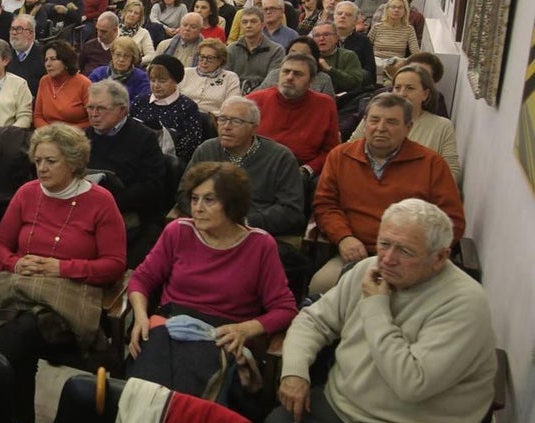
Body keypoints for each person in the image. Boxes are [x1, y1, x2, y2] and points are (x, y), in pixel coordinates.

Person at [265, 200, 495, 423]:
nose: (386, 259)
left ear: (440, 257)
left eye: (404, 251)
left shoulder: (465, 304)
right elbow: (313, 321)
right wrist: (295, 372)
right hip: (350, 406)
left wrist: (377, 306)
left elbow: (412, 384)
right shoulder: (367, 268)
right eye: (384, 243)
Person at [0, 122, 126, 423]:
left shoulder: (100, 202)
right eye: (37, 160)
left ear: (74, 162)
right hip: (19, 285)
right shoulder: (27, 193)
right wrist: (14, 263)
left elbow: (114, 264)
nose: (42, 168)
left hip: (67, 296)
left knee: (18, 333)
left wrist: (61, 268)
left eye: (51, 161)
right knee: (17, 340)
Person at [127, 162, 297, 384]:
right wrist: (141, 317)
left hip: (223, 335)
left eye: (209, 200)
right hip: (171, 326)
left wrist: (246, 329)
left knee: (187, 389)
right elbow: (141, 279)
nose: (197, 208)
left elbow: (284, 309)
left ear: (232, 205)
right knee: (144, 387)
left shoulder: (260, 245)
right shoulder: (178, 231)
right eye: (194, 199)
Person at [311, 94, 464, 294]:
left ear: (409, 127)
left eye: (391, 122)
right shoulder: (340, 156)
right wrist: (343, 237)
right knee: (319, 286)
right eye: (374, 120)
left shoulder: (431, 164)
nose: (381, 128)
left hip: (411, 261)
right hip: (355, 253)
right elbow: (325, 204)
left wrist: (413, 256)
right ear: (365, 123)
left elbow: (452, 222)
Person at [186, 96, 305, 237]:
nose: (226, 127)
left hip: (260, 233)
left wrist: (243, 222)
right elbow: (184, 192)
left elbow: (290, 209)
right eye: (222, 119)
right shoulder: (206, 150)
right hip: (208, 228)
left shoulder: (280, 157)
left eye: (236, 121)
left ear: (254, 128)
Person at [86, 80, 169, 232]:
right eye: (90, 107)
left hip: (130, 213)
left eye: (101, 108)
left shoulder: (144, 138)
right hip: (88, 210)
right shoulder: (84, 137)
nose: (94, 114)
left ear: (122, 110)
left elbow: (151, 186)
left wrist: (106, 203)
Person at [249, 54, 339, 178]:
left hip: (301, 172)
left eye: (298, 74)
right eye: (286, 72)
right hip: (256, 166)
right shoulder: (254, 100)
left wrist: (307, 170)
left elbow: (331, 150)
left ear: (311, 80)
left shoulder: (325, 105)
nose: (290, 77)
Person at [131, 55, 206, 164]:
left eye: (162, 81)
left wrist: (165, 136)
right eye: (152, 80)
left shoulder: (187, 107)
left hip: (168, 163)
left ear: (175, 81)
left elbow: (192, 144)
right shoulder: (140, 100)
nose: (156, 85)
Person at [226, 6, 285, 94]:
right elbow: (225, 78)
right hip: (233, 96)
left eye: (253, 21)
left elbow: (272, 82)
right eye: (244, 22)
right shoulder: (230, 49)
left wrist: (251, 96)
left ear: (263, 24)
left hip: (263, 97)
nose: (248, 25)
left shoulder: (276, 50)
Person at [33, 40, 90, 129]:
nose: (48, 64)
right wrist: (49, 132)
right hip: (47, 135)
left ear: (66, 61)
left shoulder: (84, 83)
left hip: (76, 136)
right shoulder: (44, 81)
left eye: (53, 59)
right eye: (46, 60)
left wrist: (66, 132)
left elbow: (92, 119)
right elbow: (38, 116)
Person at [179, 38, 241, 114]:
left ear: (220, 60)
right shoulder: (186, 72)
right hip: (183, 115)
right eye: (202, 57)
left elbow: (232, 106)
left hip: (213, 119)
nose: (204, 62)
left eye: (210, 58)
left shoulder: (230, 77)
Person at [257, 37, 336, 95]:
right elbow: (255, 99)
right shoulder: (274, 75)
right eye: (293, 53)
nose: (296, 57)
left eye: (303, 55)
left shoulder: (324, 79)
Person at [367, 0, 419, 81]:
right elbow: (366, 47)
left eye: (400, 8)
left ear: (405, 11)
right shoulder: (377, 27)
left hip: (395, 63)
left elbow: (415, 53)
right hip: (376, 61)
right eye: (393, 7)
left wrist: (404, 62)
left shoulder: (409, 29)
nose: (396, 10)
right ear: (387, 9)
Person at [311, 22, 366, 93]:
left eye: (326, 35)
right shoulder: (308, 56)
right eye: (317, 35)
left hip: (343, 99)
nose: (321, 39)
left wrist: (330, 70)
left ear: (336, 38)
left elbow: (355, 83)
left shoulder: (348, 55)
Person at [117, 0, 157, 65]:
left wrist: (135, 62)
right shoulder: (114, 29)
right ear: (125, 12)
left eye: (136, 13)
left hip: (135, 67)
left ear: (139, 18)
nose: (132, 15)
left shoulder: (144, 33)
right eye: (130, 11)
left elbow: (151, 55)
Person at [78, 12, 119, 76]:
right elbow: (78, 67)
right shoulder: (89, 45)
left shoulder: (123, 48)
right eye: (97, 30)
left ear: (115, 30)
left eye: (103, 31)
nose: (99, 34)